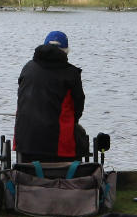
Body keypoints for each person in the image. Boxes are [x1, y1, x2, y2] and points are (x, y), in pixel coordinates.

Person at [14, 30, 88, 163]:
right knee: (81, 137)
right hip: (58, 147)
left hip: (25, 143)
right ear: (66, 51)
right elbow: (77, 111)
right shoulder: (71, 74)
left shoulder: (27, 68)